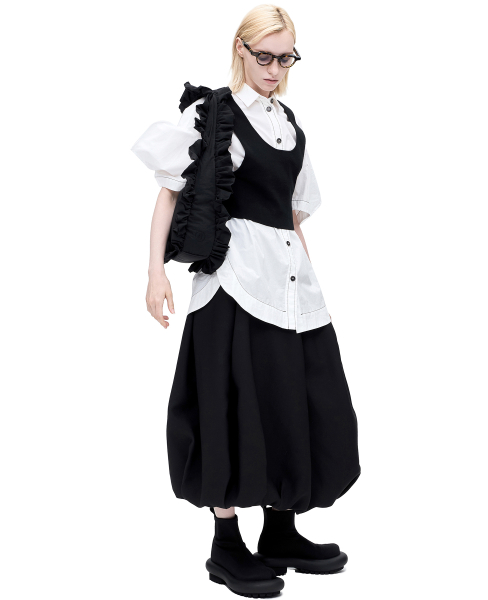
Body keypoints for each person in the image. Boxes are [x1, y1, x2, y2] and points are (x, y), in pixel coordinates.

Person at [131, 4, 360, 597]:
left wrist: (311, 285)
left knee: (295, 401)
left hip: (289, 283)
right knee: (229, 404)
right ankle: (227, 545)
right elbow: (168, 194)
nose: (275, 69)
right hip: (232, 283)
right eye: (265, 56)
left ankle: (280, 532)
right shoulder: (213, 115)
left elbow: (293, 216)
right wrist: (154, 273)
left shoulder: (290, 125)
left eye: (286, 58)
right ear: (241, 50)